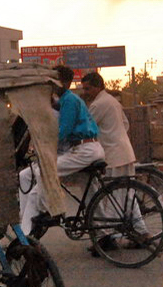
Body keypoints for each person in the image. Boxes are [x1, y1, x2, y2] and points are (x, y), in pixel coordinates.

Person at [18, 65, 104, 237]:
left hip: (84, 150)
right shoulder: (64, 100)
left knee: (46, 171)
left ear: (63, 82)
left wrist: (43, 149)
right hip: (86, 149)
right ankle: (104, 234)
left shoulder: (70, 100)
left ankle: (41, 215)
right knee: (90, 191)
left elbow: (63, 131)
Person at [80, 71, 148, 254]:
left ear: (97, 87)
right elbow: (125, 124)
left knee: (111, 198)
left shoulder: (99, 104)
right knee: (127, 196)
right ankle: (141, 231)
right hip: (124, 151)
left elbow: (85, 128)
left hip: (113, 156)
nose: (85, 92)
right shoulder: (112, 101)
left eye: (87, 88)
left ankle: (109, 238)